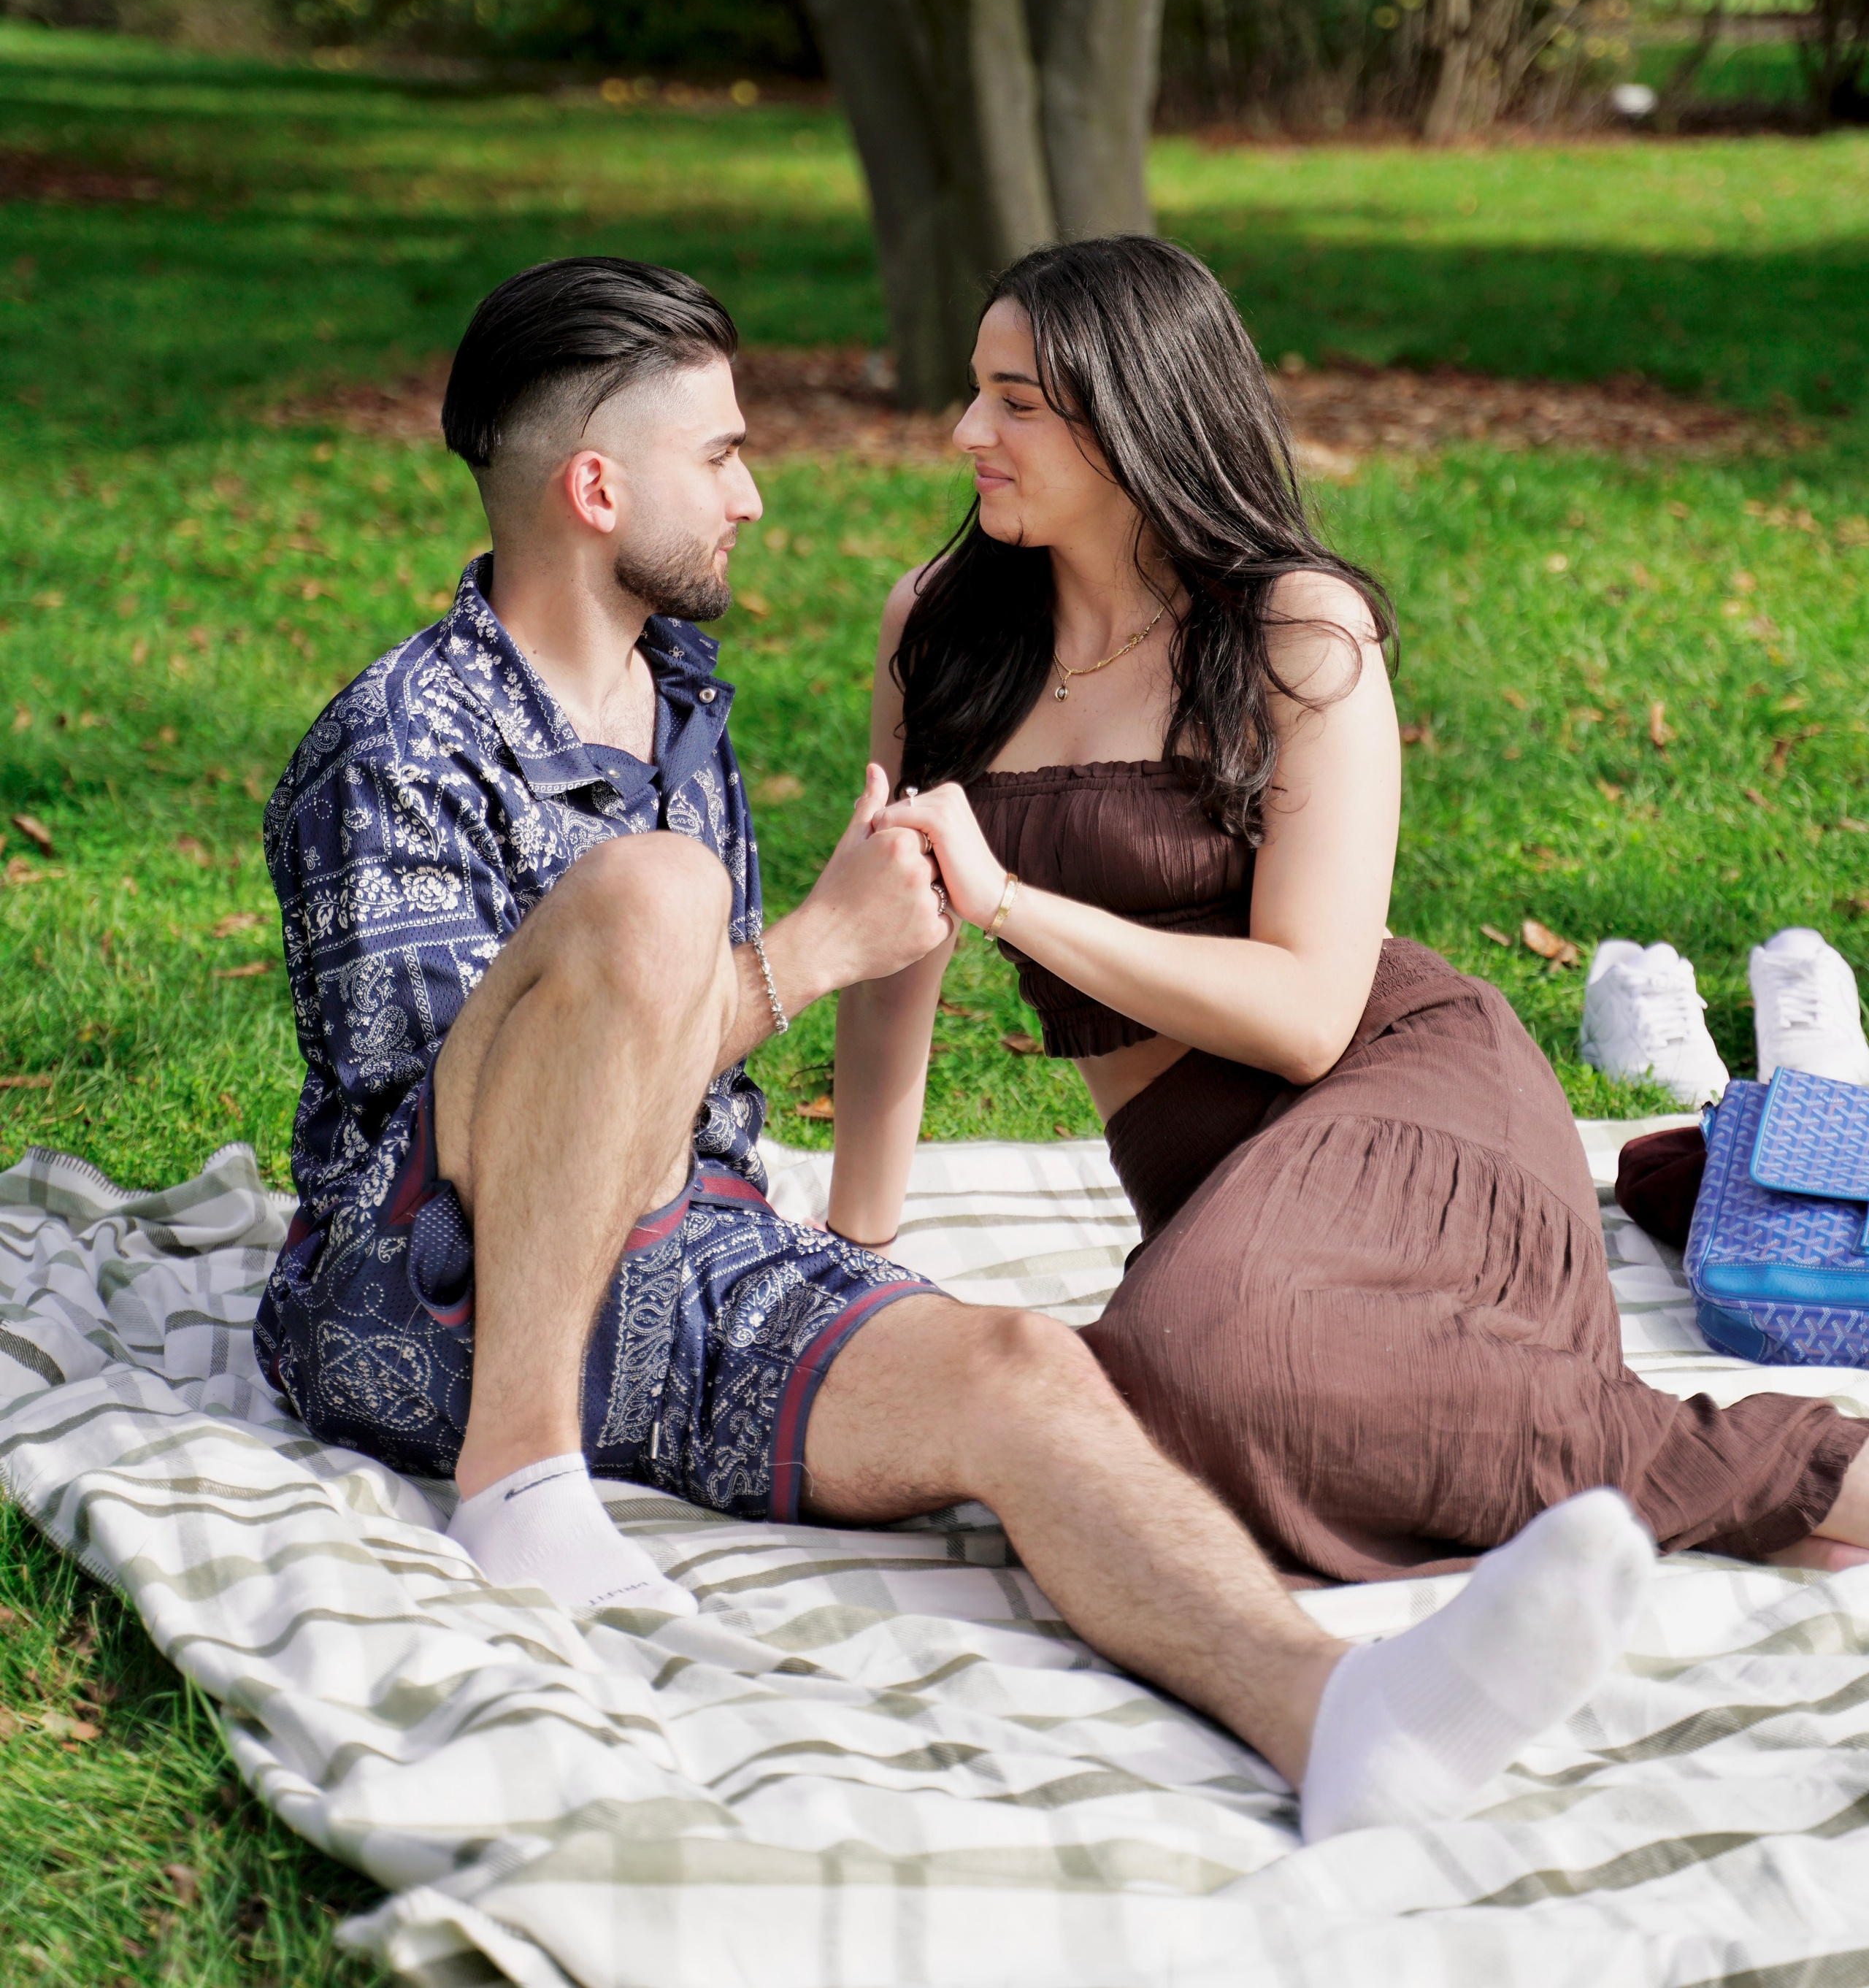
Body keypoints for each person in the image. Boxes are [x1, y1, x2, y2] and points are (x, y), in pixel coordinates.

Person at [252, 252, 1672, 1842]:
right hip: (433, 1285)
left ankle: (1333, 1711)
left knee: (1025, 1364)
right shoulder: (399, 740)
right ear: (596, 484)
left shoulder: (680, 701)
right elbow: (444, 1146)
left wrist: (845, 1238)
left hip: (685, 1259)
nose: (759, 495)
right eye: (722, 455)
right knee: (657, 893)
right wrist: (807, 952)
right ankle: (517, 1483)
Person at [827, 234, 1869, 1587]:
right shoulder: (944, 629)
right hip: (1212, 1182)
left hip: (1405, 1095)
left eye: (1019, 401)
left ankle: (1787, 1469)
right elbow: (892, 945)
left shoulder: (1293, 633)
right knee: (1155, 1406)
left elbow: (1312, 1016)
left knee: (1200, 1378)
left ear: (1141, 417)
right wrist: (855, 1245)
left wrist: (1015, 902)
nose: (969, 429)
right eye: (978, 389)